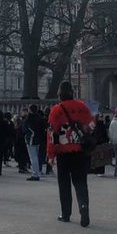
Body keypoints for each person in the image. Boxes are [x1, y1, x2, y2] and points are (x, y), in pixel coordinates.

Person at [47, 81, 95, 226]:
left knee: (64, 184)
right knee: (80, 181)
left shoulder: (56, 109)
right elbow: (92, 126)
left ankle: (66, 213)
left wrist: (50, 155)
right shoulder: (83, 107)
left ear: (60, 94)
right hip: (80, 151)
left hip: (63, 152)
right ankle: (83, 206)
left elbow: (51, 133)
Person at [26, 104, 48, 181]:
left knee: (33, 157)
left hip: (31, 139)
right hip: (39, 139)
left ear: (30, 110)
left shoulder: (30, 118)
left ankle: (35, 174)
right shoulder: (40, 118)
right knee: (36, 157)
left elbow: (26, 128)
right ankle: (38, 172)